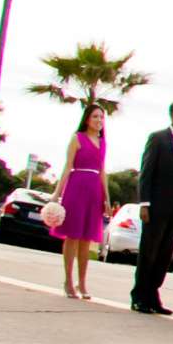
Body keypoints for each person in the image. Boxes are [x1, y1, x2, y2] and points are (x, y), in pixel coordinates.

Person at [130, 100, 173, 317]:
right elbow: (146, 172)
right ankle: (139, 295)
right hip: (156, 206)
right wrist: (144, 203)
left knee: (165, 253)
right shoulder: (158, 138)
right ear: (172, 113)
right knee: (149, 251)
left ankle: (153, 293)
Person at [49, 103, 111, 301]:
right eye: (95, 117)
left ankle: (82, 282)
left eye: (101, 117)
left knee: (87, 239)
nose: (99, 121)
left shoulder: (103, 143)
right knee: (73, 236)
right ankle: (68, 280)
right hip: (76, 188)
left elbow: (102, 171)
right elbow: (67, 167)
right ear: (87, 119)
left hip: (94, 191)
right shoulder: (77, 138)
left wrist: (106, 198)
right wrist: (56, 194)